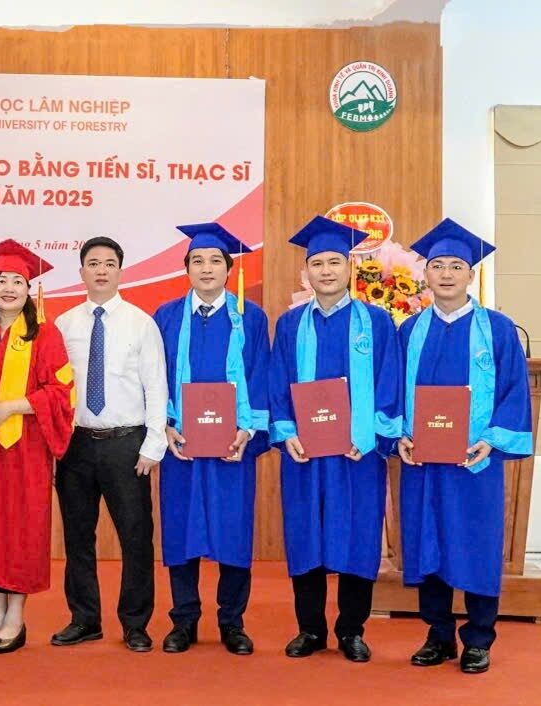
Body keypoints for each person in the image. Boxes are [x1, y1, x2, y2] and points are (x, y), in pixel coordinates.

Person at [397, 219, 532, 675]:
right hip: (424, 463)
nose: (447, 274)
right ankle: (438, 636)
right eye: (438, 266)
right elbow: (391, 390)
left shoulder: (497, 329)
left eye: (457, 266)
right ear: (426, 275)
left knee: (476, 543)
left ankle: (478, 639)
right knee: (428, 543)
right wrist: (400, 435)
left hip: (475, 463)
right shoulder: (409, 330)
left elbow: (514, 392)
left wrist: (490, 440)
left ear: (471, 275)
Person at [268, 215, 402, 663]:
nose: (325, 271)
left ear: (350, 268)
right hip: (305, 454)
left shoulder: (377, 322)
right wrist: (287, 432)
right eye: (317, 263)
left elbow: (389, 382)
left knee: (358, 534)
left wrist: (370, 435)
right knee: (305, 533)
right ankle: (310, 629)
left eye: (334, 262)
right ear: (306, 271)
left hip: (357, 453)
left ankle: (351, 630)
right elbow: (277, 383)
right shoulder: (290, 325)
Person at [0, 239, 75, 654]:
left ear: (29, 290)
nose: (8, 288)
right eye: (1, 281)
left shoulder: (45, 335)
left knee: (18, 531)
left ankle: (16, 619)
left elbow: (61, 393)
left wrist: (12, 406)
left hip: (25, 451)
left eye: (17, 282)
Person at [153, 223, 269, 655]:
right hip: (181, 445)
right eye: (197, 261)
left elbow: (261, 375)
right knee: (181, 531)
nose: (206, 268)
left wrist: (247, 431)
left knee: (233, 532)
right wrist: (164, 424)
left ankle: (232, 622)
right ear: (186, 269)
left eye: (215, 261)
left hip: (231, 448)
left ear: (228, 269)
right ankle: (183, 621)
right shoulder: (166, 317)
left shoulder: (250, 318)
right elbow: (155, 379)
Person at [51, 236, 167, 653]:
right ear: (81, 271)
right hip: (76, 445)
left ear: (120, 270)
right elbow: (54, 388)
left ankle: (135, 623)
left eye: (109, 263)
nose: (101, 270)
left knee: (136, 536)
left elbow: (156, 385)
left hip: (127, 443)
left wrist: (153, 442)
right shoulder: (64, 325)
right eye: (93, 263)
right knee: (77, 536)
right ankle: (84, 619)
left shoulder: (141, 323)